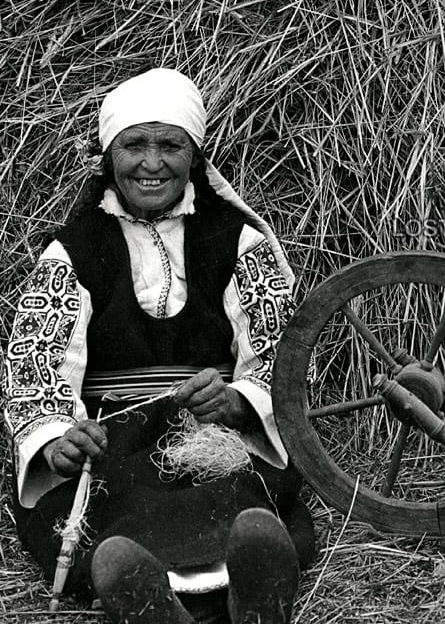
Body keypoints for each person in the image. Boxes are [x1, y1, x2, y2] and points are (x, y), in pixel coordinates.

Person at [1, 69, 315, 623]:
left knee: (238, 491)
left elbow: (282, 358)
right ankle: (143, 589)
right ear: (108, 154)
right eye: (134, 145)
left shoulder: (238, 241)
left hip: (212, 437)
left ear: (195, 154)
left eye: (170, 145)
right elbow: (34, 367)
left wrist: (240, 401)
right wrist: (57, 441)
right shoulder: (74, 251)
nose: (151, 163)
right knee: (118, 500)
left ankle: (249, 583)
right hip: (113, 447)